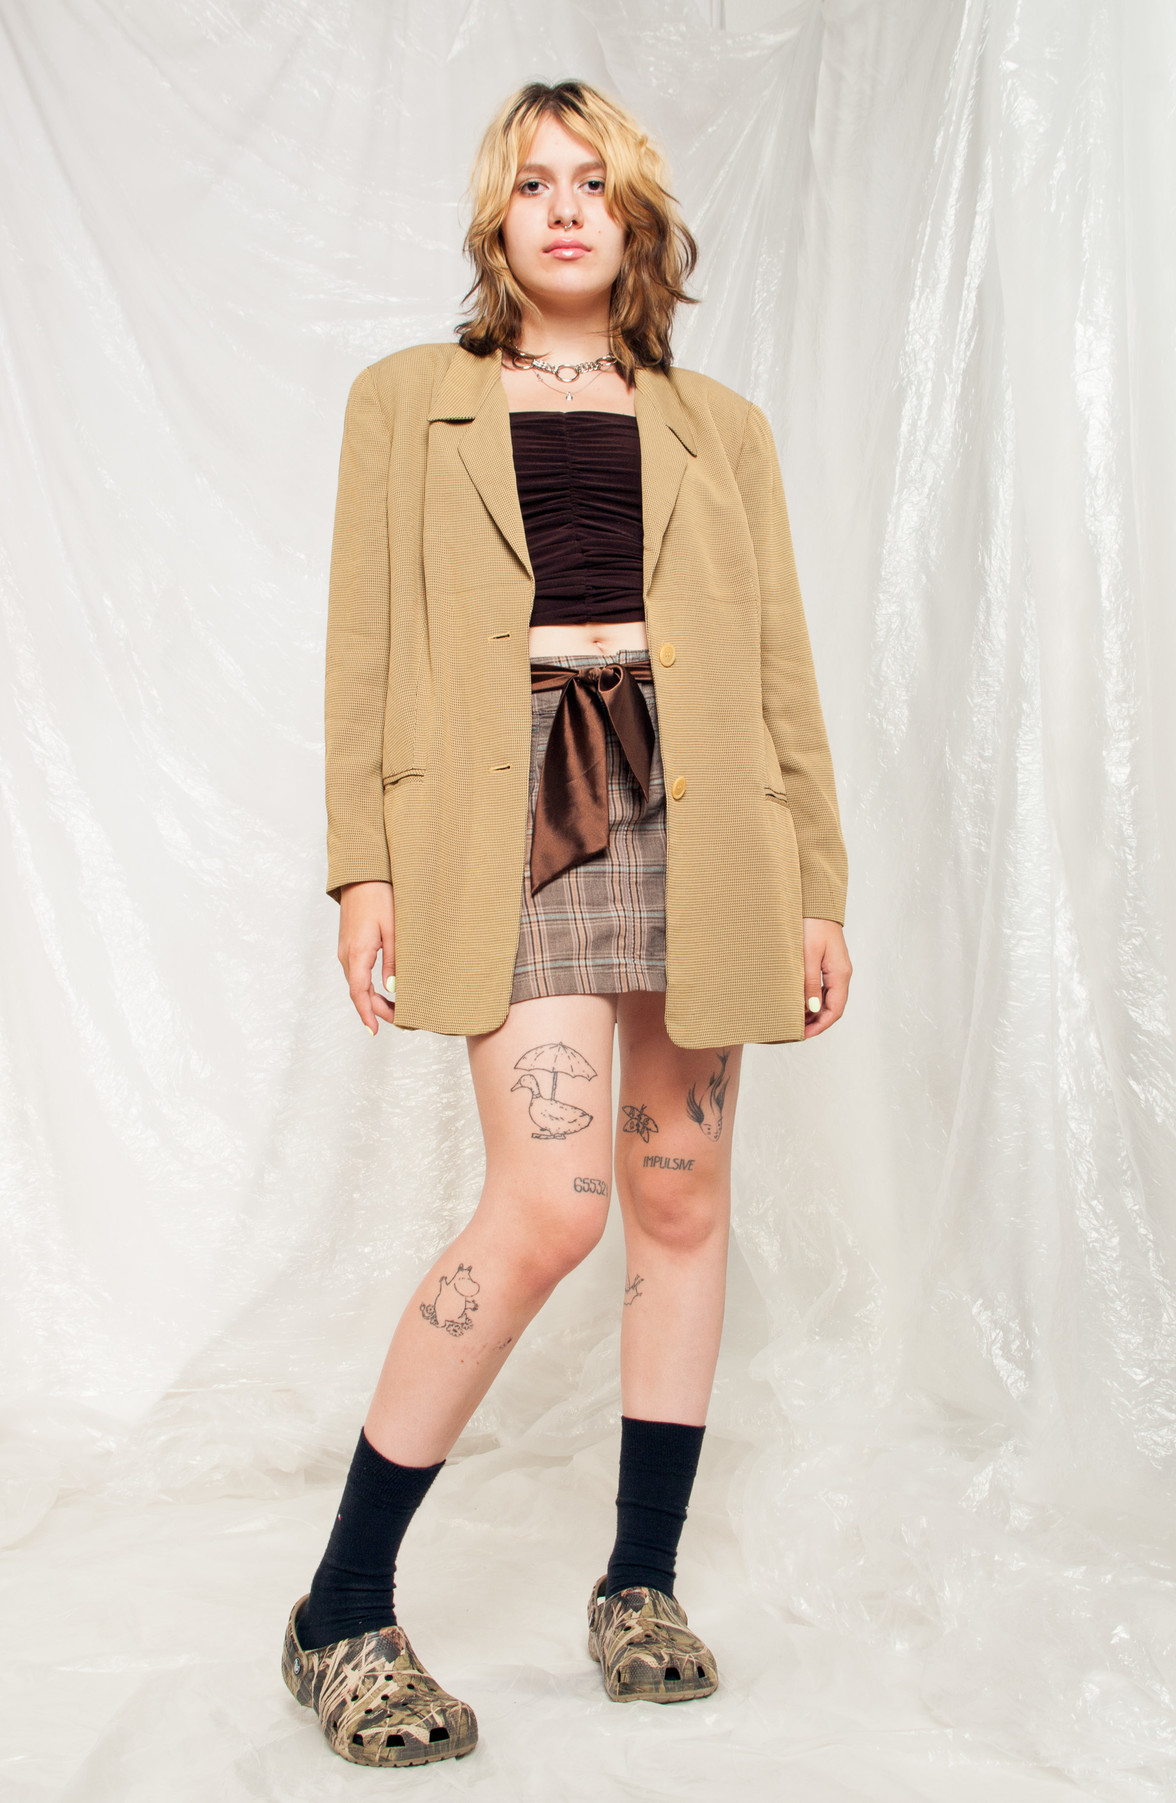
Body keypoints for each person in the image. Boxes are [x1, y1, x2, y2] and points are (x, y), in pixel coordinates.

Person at [282, 77, 851, 1768]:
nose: (565, 208)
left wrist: (818, 880)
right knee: (548, 1206)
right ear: (496, 217)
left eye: (594, 181)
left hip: (706, 816)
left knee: (680, 1200)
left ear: (637, 214)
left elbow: (781, 670)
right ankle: (340, 1611)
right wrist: (363, 866)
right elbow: (362, 646)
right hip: (507, 810)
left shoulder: (720, 426)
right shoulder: (409, 403)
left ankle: (640, 1587)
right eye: (533, 182)